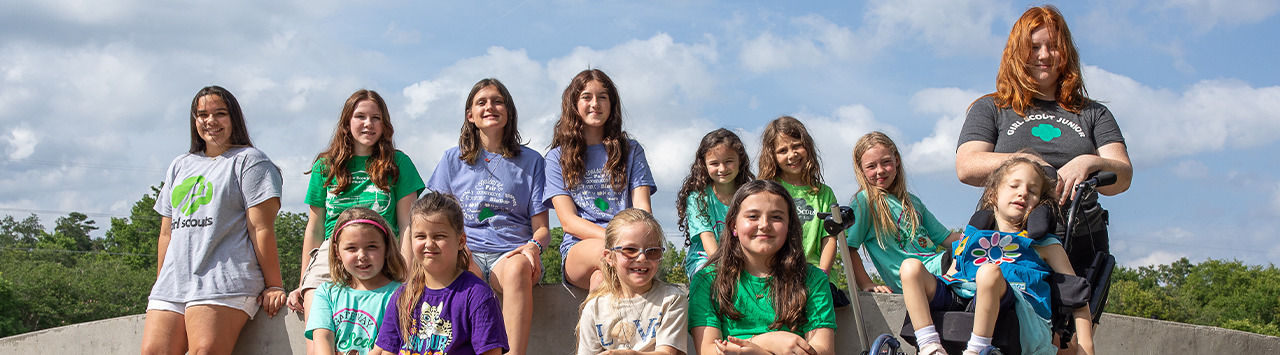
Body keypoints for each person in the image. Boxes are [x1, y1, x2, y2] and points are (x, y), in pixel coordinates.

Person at [955, 5, 1132, 277]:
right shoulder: (991, 107)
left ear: (1067, 53)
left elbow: (1123, 176)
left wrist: (1089, 162)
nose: (1044, 55)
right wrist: (1027, 162)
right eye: (1034, 47)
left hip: (1081, 241)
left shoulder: (1093, 113)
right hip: (1007, 240)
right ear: (1018, 53)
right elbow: (966, 166)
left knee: (1076, 315)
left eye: (1053, 47)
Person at [140, 86, 286, 355]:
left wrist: (274, 284)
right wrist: (161, 282)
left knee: (204, 352)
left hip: (224, 280)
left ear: (234, 119)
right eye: (202, 115)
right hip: (174, 284)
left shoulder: (250, 161)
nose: (211, 121)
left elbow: (260, 227)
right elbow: (166, 234)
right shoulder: (180, 165)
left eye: (220, 114)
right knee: (153, 352)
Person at [900, 158, 1094, 355]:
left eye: (1033, 191)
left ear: (1039, 204)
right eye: (1014, 185)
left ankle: (976, 350)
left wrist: (1085, 347)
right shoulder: (971, 238)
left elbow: (1076, 295)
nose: (1023, 193)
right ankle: (929, 346)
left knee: (989, 272)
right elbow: (951, 277)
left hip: (1017, 310)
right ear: (993, 194)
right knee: (910, 267)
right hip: (965, 296)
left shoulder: (1045, 245)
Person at [289, 89, 426, 354]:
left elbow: (408, 225)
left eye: (376, 118)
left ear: (385, 125)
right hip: (334, 250)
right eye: (360, 116)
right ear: (346, 122)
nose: (368, 124)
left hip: (382, 247)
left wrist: (407, 276)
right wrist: (302, 280)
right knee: (317, 319)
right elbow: (315, 227)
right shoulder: (325, 166)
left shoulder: (398, 163)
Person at [426, 78, 547, 355]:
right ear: (470, 115)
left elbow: (542, 229)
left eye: (497, 101)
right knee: (458, 267)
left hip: (511, 252)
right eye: (481, 102)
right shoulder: (451, 159)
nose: (490, 107)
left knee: (518, 269)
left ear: (509, 111)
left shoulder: (532, 161)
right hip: (467, 248)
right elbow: (434, 215)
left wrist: (534, 246)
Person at [688, 180, 837, 355]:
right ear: (733, 225)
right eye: (752, 216)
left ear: (789, 227)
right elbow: (708, 351)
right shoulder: (707, 280)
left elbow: (823, 350)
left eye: (777, 217)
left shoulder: (812, 279)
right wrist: (767, 341)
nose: (764, 224)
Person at [545, 69, 656, 291]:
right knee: (606, 254)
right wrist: (620, 240)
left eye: (602, 97)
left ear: (612, 105)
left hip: (630, 246)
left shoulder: (631, 151)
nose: (595, 103)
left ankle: (597, 327)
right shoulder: (556, 157)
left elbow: (643, 209)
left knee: (601, 281)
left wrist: (633, 241)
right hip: (581, 247)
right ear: (574, 104)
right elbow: (568, 222)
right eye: (587, 97)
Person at [373, 192, 508, 355]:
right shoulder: (402, 297)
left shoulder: (478, 296)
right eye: (420, 236)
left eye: (439, 236)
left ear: (461, 241)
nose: (429, 244)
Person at [846, 132, 960, 293]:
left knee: (982, 241)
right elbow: (848, 248)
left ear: (897, 160)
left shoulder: (912, 201)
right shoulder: (865, 201)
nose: (880, 170)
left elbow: (946, 238)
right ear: (861, 169)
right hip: (914, 277)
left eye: (886, 162)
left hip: (936, 268)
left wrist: (974, 237)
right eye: (871, 166)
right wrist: (865, 283)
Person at [575, 209, 689, 355]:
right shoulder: (594, 308)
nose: (642, 258)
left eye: (652, 250)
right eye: (630, 250)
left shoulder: (672, 299)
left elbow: (667, 353)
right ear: (609, 257)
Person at [305, 208, 408, 355]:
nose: (362, 256)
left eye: (371, 247)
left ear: (386, 248)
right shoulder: (326, 293)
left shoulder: (400, 294)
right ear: (336, 251)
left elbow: (388, 347)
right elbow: (323, 338)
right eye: (351, 248)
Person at [757, 116, 838, 274]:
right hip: (776, 274)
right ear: (771, 155)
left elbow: (830, 238)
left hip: (816, 274)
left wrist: (822, 275)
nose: (792, 154)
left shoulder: (824, 193)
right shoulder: (766, 190)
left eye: (797, 146)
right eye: (782, 150)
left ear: (807, 146)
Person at [676, 128, 754, 280]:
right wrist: (728, 270)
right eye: (714, 163)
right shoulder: (697, 198)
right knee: (712, 280)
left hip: (743, 260)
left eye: (729, 161)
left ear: (741, 160)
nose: (722, 169)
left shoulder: (750, 196)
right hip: (706, 260)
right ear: (703, 164)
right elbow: (709, 240)